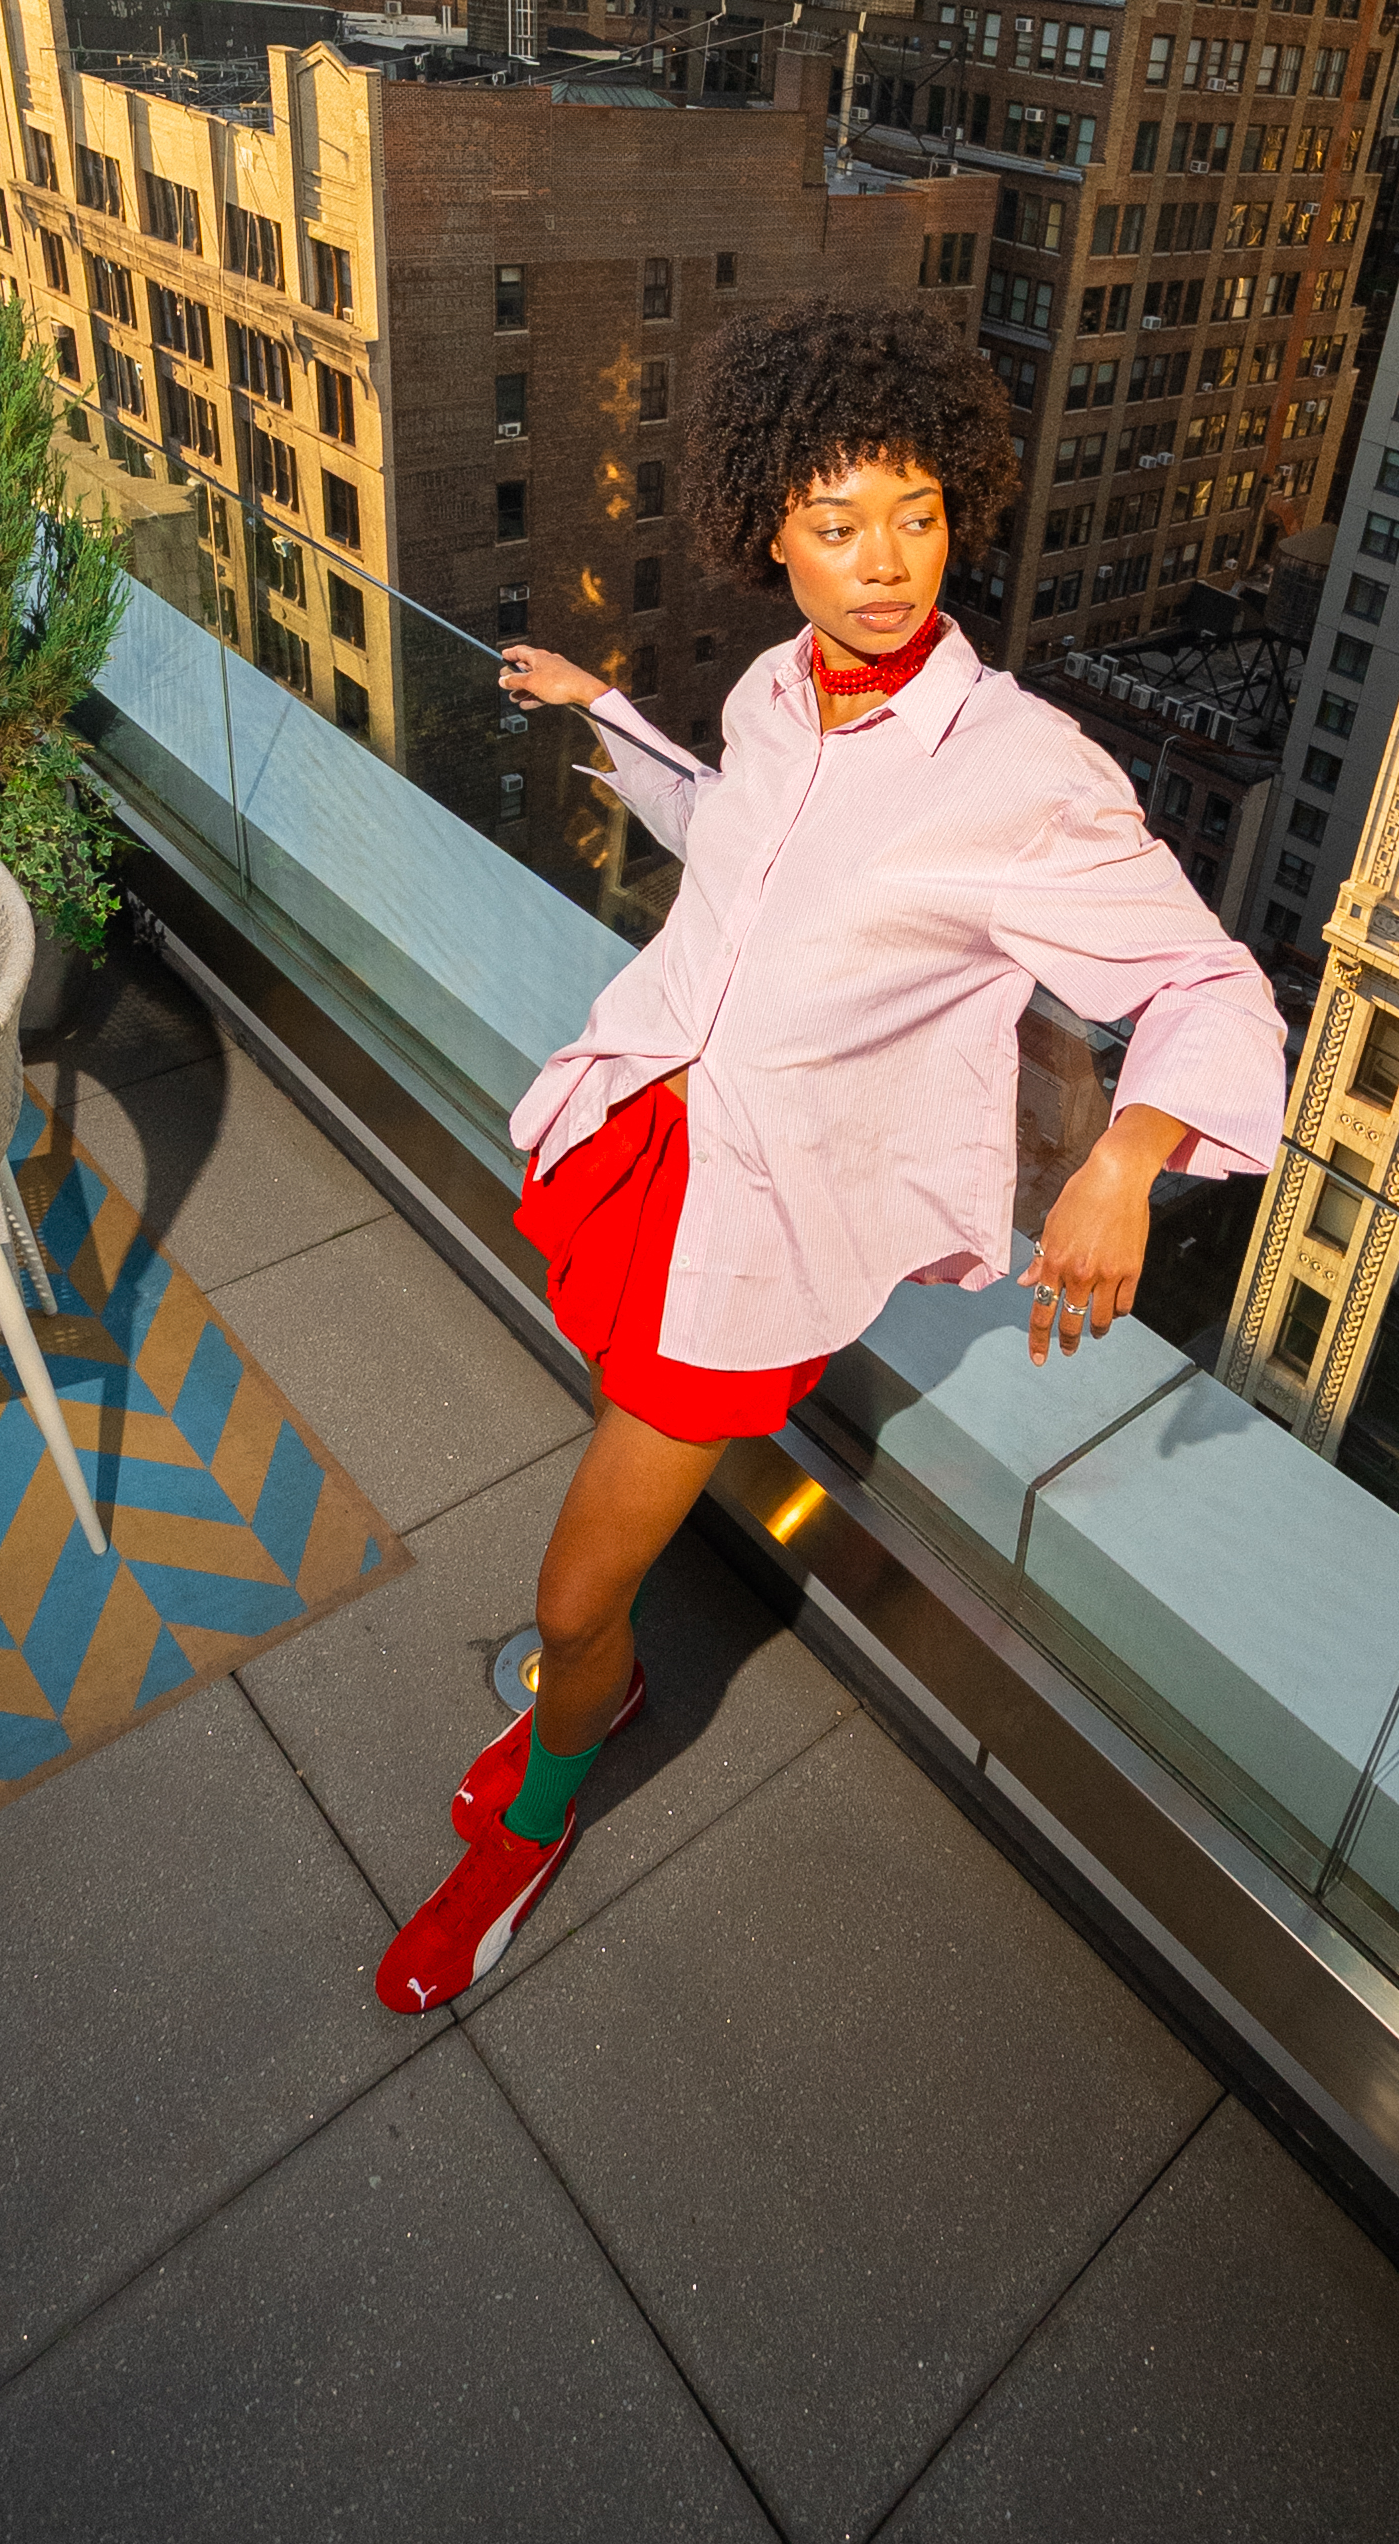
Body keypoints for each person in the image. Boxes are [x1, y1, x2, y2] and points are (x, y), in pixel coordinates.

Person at [375, 293, 1285, 2016]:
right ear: (768, 534)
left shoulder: (1023, 771)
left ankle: (540, 1810)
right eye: (838, 522)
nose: (886, 563)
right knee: (599, 1515)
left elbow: (1209, 983)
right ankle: (595, 1691)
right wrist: (610, 711)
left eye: (918, 515)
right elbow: (745, 839)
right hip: (649, 1139)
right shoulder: (774, 691)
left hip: (759, 1230)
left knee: (572, 1594)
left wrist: (1126, 1156)